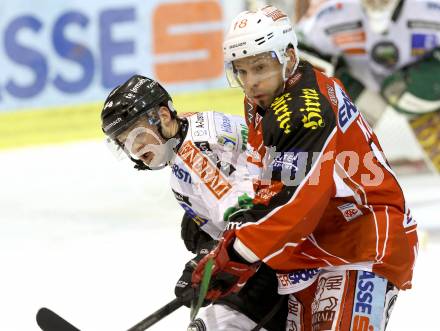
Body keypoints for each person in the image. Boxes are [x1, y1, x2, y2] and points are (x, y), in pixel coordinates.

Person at [191, 5, 418, 331]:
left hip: (362, 239)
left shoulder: (305, 109)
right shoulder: (265, 98)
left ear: (289, 56)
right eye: (241, 71)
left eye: (259, 67)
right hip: (311, 245)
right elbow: (264, 177)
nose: (250, 82)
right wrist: (225, 234)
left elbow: (295, 204)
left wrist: (237, 253)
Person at [100, 74, 288, 330]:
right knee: (194, 228)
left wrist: (203, 261)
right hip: (277, 243)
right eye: (124, 142)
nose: (134, 150)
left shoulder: (197, 157)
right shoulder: (191, 123)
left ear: (163, 116)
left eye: (135, 135)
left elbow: (248, 223)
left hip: (280, 262)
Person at [296, 0, 440, 171]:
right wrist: (336, 85)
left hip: (424, 104)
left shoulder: (431, 10)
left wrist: (432, 78)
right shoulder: (331, 15)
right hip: (352, 104)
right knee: (321, 172)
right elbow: (296, 56)